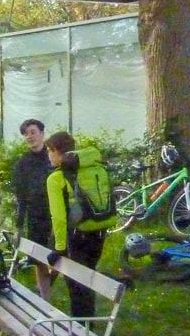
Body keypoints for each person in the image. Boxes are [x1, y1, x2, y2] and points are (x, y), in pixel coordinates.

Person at [44, 131, 116, 318]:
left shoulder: (56, 178)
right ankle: (88, 325)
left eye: (49, 151)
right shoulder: (95, 169)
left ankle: (80, 327)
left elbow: (59, 218)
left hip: (76, 236)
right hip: (99, 230)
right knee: (88, 278)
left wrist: (59, 248)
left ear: (57, 151)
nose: (48, 155)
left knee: (76, 285)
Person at [12, 119, 54, 299]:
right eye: (26, 134)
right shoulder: (22, 163)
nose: (29, 137)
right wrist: (19, 226)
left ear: (42, 134)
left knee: (62, 258)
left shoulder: (53, 157)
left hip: (57, 215)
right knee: (39, 260)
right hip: (35, 217)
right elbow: (21, 197)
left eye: (32, 132)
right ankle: (45, 299)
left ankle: (50, 282)